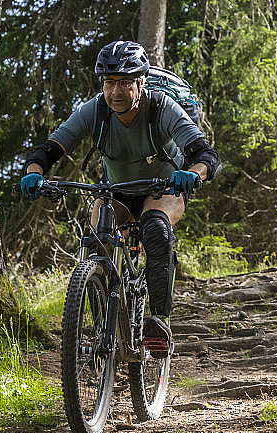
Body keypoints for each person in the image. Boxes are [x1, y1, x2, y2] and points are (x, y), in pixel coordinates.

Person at [19, 40, 221, 357]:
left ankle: (159, 322)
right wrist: (34, 173)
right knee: (99, 234)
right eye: (109, 82)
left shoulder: (162, 107)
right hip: (117, 191)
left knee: (156, 228)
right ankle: (105, 323)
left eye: (125, 83)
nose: (116, 92)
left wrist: (193, 173)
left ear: (141, 82)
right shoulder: (96, 110)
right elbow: (48, 151)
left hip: (162, 189)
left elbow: (206, 155)